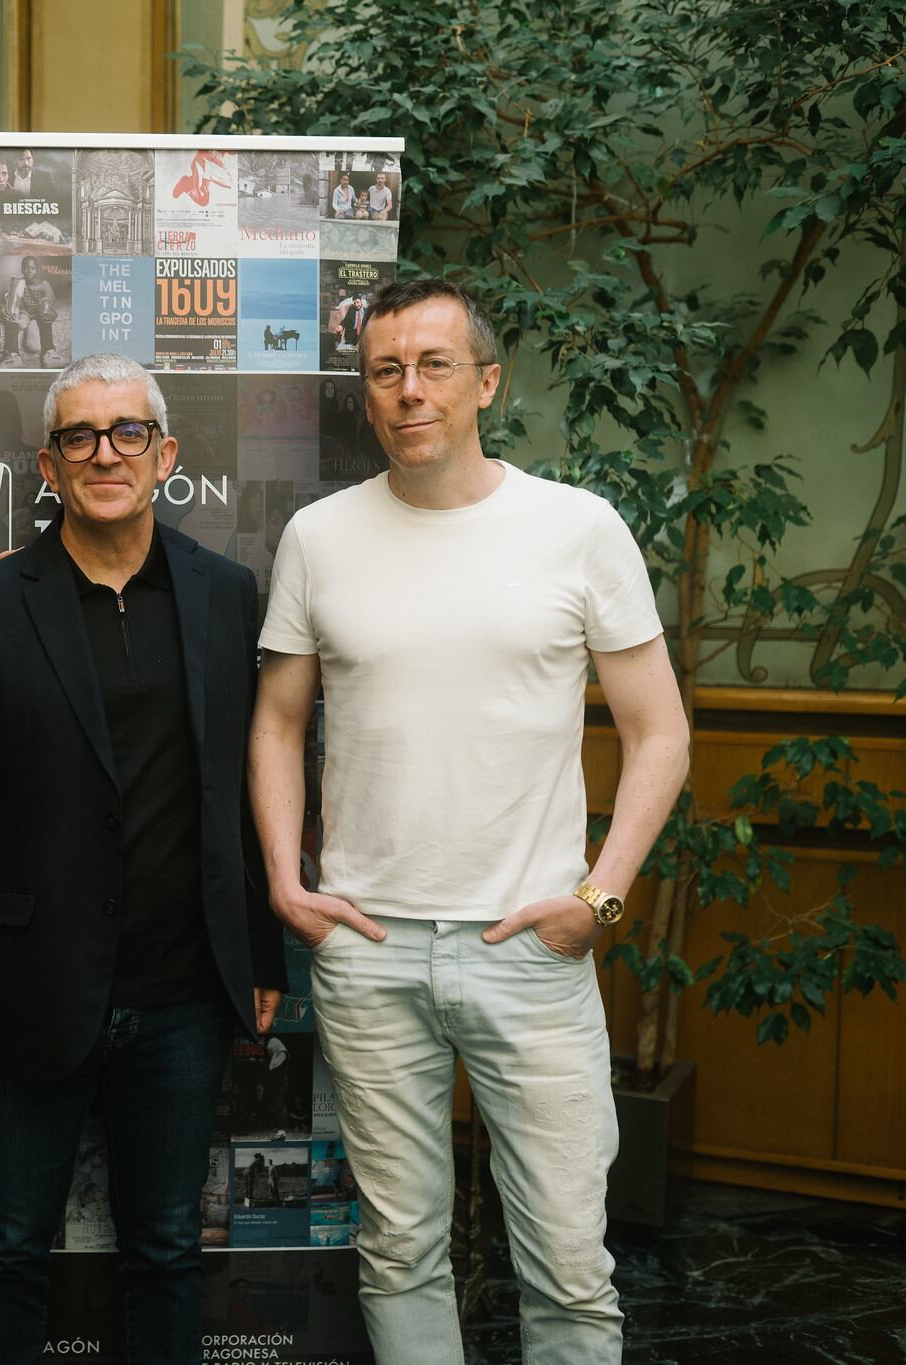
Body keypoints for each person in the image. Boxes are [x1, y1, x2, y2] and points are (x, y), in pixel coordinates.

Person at [248, 278, 690, 1364]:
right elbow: (274, 722)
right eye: (385, 370)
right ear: (366, 395)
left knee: (568, 1269)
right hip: (368, 948)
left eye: (433, 365)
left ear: (485, 382)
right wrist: (282, 882)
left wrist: (598, 898)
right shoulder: (318, 536)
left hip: (530, 949)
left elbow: (660, 731)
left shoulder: (576, 529)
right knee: (397, 1250)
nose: (408, 391)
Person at [0, 352, 286, 1363]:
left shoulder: (225, 596)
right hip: (23, 996)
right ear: (46, 463)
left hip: (182, 996)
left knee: (164, 1247)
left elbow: (250, 794)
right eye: (78, 436)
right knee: (5, 1251)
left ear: (164, 454)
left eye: (125, 433)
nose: (102, 453)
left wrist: (259, 954)